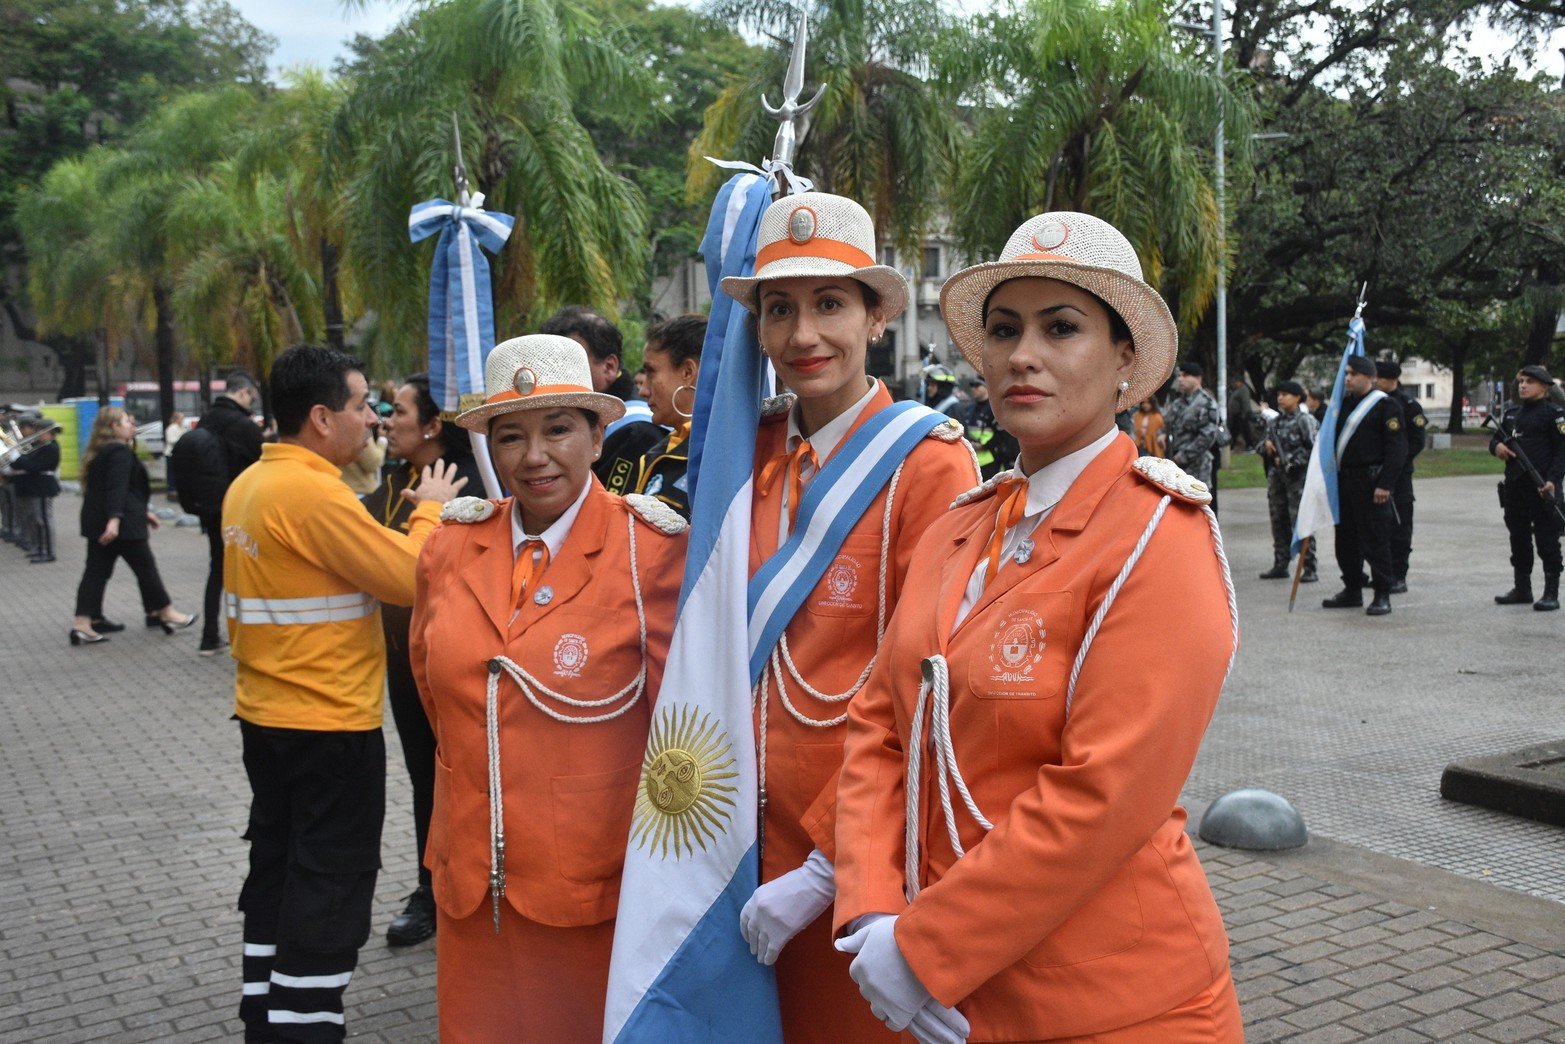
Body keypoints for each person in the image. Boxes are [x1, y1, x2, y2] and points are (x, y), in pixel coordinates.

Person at [832, 211, 1241, 1042]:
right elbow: (878, 725)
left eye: (1062, 328)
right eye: (1004, 329)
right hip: (938, 982)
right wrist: (871, 909)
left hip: (1106, 1000)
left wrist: (924, 948)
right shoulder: (961, 524)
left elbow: (1104, 793)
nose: (1023, 355)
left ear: (1126, 358)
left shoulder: (1157, 536)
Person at [719, 191, 980, 1043]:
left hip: (856, 864)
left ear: (875, 318)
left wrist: (830, 868)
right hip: (736, 844)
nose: (803, 337)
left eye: (830, 305)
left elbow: (932, 688)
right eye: (779, 310)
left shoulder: (928, 464)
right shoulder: (745, 452)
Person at [408, 334, 686, 1043]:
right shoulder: (446, 547)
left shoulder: (650, 552)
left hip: (594, 892)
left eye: (558, 428)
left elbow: (679, 732)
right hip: (471, 886)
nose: (533, 457)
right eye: (510, 436)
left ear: (599, 436)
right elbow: (435, 695)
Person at [223, 345, 467, 1042]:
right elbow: (404, 575)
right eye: (363, 405)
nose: (374, 418)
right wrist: (429, 510)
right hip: (326, 724)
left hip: (266, 718)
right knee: (331, 880)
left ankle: (265, 1014)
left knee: (277, 868)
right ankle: (304, 1026)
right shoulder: (311, 492)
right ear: (322, 416)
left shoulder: (252, 485)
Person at [361, 373, 486, 949]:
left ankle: (481, 882)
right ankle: (429, 885)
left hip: (456, 662)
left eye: (400, 411)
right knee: (422, 777)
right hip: (401, 661)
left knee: (464, 775)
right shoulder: (392, 484)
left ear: (434, 425)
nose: (387, 420)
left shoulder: (473, 484)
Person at [68, 407, 199, 645]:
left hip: (101, 520)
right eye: (127, 422)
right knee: (145, 568)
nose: (133, 425)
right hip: (122, 525)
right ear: (113, 428)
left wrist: (143, 512)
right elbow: (117, 488)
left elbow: (121, 490)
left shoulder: (101, 451)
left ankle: (84, 622)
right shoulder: (119, 451)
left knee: (96, 572)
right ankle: (165, 612)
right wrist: (115, 520)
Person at [540, 305, 665, 488]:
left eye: (566, 365)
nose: (553, 376)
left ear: (609, 367)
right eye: (547, 366)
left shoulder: (636, 431)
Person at [1322, 355, 1406, 616]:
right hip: (1344, 481)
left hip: (1372, 484)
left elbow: (1397, 449)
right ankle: (1352, 588)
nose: (1347, 378)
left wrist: (1386, 484)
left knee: (1375, 539)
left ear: (1369, 377)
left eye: (1353, 374)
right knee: (1345, 540)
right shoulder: (1342, 406)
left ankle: (1382, 592)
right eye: (1346, 373)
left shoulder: (1386, 406)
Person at [605, 314, 705, 518]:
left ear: (687, 372)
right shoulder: (667, 447)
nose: (643, 390)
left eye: (651, 372)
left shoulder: (714, 456)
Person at [195, 372, 265, 655]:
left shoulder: (207, 419)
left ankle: (209, 634)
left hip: (211, 507)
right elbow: (265, 458)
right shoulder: (241, 425)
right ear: (244, 393)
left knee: (217, 570)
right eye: (253, 397)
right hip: (242, 507)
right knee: (251, 569)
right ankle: (253, 637)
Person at [1490, 364, 1565, 611]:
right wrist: (1496, 448)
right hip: (1515, 487)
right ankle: (1522, 588)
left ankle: (1551, 592)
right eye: (1521, 381)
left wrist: (1553, 480)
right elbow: (1496, 439)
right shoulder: (1512, 414)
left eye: (1529, 382)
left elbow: (1561, 452)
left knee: (1546, 539)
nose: (1522, 385)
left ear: (1544, 387)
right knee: (1518, 537)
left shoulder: (1554, 415)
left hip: (1543, 486)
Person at [1259, 380, 1319, 582]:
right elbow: (1260, 445)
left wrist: (1292, 461)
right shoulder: (1274, 422)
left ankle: (1309, 566)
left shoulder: (1305, 421)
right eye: (1279, 394)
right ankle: (1280, 563)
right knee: (1279, 521)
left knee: (1300, 522)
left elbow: (1313, 449)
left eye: (1285, 394)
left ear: (1297, 397)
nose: (1280, 398)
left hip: (1298, 481)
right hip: (1277, 480)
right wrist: (1267, 448)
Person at [1375, 359, 1426, 593]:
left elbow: (1417, 441)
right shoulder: (1374, 402)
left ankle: (1398, 574)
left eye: (1380, 378)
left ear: (1392, 379)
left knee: (1400, 525)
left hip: (1399, 476)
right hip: (1374, 473)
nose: (1376, 381)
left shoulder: (1408, 405)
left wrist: (1396, 463)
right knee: (1376, 526)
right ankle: (1380, 572)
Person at [1164, 360, 1221, 491]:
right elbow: (1168, 425)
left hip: (1197, 467)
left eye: (1185, 375)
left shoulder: (1206, 403)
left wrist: (1183, 456)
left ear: (1197, 378)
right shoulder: (1178, 403)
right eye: (1179, 376)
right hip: (1175, 466)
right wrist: (1163, 436)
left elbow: (1207, 436)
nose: (1180, 379)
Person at [12, 416, 61, 563]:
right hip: (36, 486)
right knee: (36, 519)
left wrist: (17, 457)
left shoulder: (51, 447)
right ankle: (40, 548)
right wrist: (15, 458)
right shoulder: (41, 446)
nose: (38, 435)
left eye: (41, 432)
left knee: (44, 519)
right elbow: (23, 464)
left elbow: (34, 466)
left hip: (43, 486)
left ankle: (48, 551)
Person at [963, 377, 1016, 480]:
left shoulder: (994, 408)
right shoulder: (969, 409)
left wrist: (984, 446)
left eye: (977, 386)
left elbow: (1002, 433)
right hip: (973, 456)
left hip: (992, 457)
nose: (974, 389)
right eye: (972, 387)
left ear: (986, 386)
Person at [163, 410, 185, 500]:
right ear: (177, 419)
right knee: (171, 472)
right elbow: (171, 440)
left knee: (175, 472)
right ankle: (172, 489)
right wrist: (182, 440)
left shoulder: (180, 428)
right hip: (171, 453)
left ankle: (174, 488)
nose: (183, 420)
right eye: (181, 418)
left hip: (176, 453)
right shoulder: (172, 428)